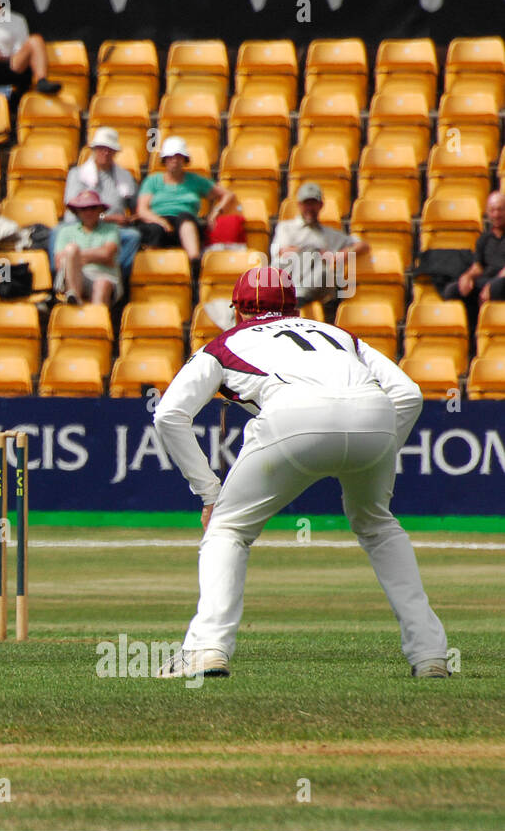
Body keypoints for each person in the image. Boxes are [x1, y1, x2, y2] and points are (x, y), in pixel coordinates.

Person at [151, 266, 449, 679]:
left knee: (228, 529)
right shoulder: (336, 334)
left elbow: (168, 415)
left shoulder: (223, 344)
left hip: (294, 414)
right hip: (375, 414)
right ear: (294, 305)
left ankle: (206, 649)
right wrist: (381, 454)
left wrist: (208, 493)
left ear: (237, 310)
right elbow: (409, 394)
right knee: (379, 526)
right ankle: (430, 654)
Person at [136, 136, 236, 277]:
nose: (174, 160)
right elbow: (142, 209)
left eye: (178, 157)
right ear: (164, 160)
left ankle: (194, 262)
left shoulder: (195, 180)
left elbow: (227, 195)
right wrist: (160, 221)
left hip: (185, 219)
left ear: (184, 159)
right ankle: (151, 272)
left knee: (185, 219)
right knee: (155, 230)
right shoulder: (153, 181)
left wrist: (216, 211)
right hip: (158, 220)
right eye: (170, 157)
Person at [271, 182, 369, 306]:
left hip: (316, 283)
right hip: (291, 276)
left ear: (320, 205)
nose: (310, 208)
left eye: (313, 203)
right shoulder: (286, 228)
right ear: (299, 205)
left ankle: (298, 297)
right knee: (300, 258)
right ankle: (295, 295)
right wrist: (315, 252)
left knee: (324, 272)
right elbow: (283, 252)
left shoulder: (330, 234)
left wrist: (337, 256)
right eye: (306, 204)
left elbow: (362, 244)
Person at [63, 127, 140, 272]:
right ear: (94, 150)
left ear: (115, 152)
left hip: (112, 231)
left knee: (133, 236)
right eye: (101, 148)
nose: (105, 152)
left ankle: (115, 272)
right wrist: (108, 218)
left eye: (109, 149)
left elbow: (137, 207)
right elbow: (73, 209)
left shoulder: (126, 177)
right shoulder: (77, 174)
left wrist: (130, 219)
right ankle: (63, 276)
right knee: (58, 232)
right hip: (81, 225)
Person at [445, 190, 505, 329]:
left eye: (500, 210)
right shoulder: (484, 239)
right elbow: (478, 267)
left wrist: (492, 285)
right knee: (452, 290)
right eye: (492, 210)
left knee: (497, 288)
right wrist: (467, 277)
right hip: (488, 281)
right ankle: (471, 334)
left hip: (501, 281)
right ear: (488, 213)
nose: (496, 214)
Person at [53, 191, 121, 306]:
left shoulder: (112, 229)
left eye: (93, 207)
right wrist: (96, 256)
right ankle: (74, 296)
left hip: (104, 275)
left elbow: (107, 254)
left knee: (102, 283)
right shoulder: (65, 231)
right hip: (75, 277)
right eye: (84, 208)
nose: (89, 212)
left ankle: (95, 321)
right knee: (71, 249)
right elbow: (59, 263)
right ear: (77, 211)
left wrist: (74, 259)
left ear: (100, 210)